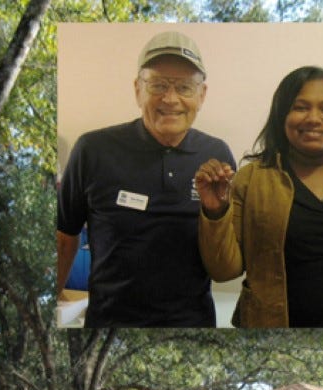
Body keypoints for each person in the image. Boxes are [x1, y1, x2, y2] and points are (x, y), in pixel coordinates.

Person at [56, 30, 235, 327]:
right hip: (109, 322)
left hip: (193, 323)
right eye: (158, 85)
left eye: (185, 87)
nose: (171, 98)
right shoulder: (93, 149)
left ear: (202, 95)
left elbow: (225, 260)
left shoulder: (217, 155)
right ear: (137, 89)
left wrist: (216, 211)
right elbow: (65, 238)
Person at [195, 67, 323, 327]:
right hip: (276, 341)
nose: (314, 118)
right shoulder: (252, 179)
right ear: (281, 116)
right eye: (301, 107)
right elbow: (224, 270)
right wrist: (215, 211)